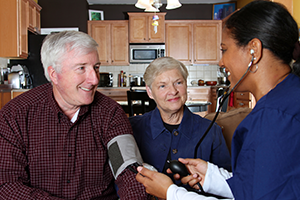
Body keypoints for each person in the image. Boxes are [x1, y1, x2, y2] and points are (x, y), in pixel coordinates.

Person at [135, 1, 300, 199]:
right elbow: (253, 186)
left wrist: (171, 193)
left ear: (253, 50)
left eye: (224, 49)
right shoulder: (286, 99)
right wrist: (212, 177)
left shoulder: (274, 118)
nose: (221, 62)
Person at [0, 31, 148, 199]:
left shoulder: (110, 112)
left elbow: (129, 173)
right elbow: (6, 185)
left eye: (96, 67)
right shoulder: (15, 115)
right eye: (81, 68)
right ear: (54, 74)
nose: (94, 79)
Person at [129, 57, 231, 187]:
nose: (173, 91)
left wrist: (206, 184)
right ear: (149, 91)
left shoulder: (211, 131)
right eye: (162, 86)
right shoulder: (131, 128)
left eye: (178, 83)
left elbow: (227, 184)